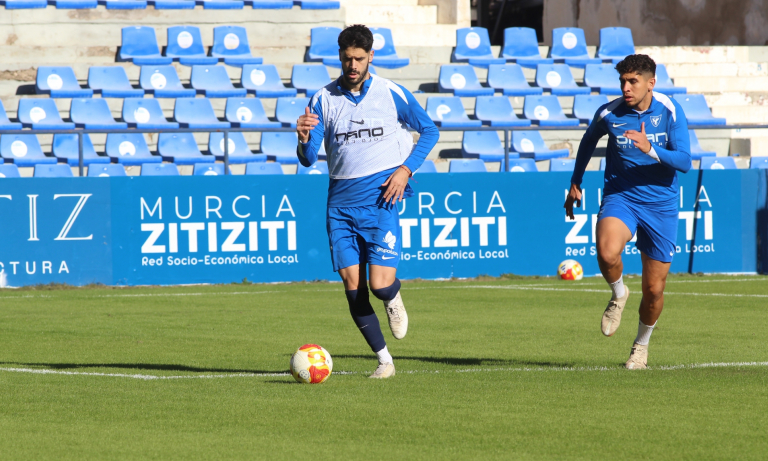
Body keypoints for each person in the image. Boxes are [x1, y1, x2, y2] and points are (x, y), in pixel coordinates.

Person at [295, 24, 439, 378]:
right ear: (340, 58)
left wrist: (405, 169)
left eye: (359, 59)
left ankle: (392, 296)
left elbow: (430, 130)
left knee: (380, 285)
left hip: (381, 201)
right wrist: (302, 139)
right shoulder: (322, 99)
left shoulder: (392, 93)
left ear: (371, 56)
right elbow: (309, 158)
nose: (353, 65)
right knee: (352, 288)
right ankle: (385, 360)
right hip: (340, 207)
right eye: (347, 59)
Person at [564, 54, 691, 369]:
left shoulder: (671, 111)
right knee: (607, 253)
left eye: (633, 81)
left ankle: (641, 346)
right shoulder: (609, 113)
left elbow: (685, 162)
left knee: (654, 290)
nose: (626, 87)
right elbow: (587, 142)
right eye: (622, 81)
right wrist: (575, 182)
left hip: (661, 204)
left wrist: (651, 149)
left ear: (651, 83)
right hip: (621, 195)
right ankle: (618, 294)